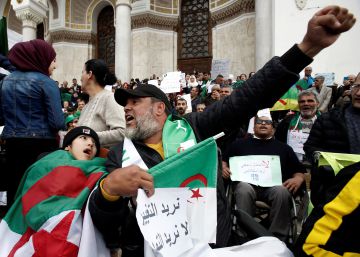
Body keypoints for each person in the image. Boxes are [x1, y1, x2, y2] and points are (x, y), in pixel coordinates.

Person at [88, 6, 356, 256]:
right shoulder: (121, 155)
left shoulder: (196, 127)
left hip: (215, 244)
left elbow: (249, 96)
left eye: (135, 102)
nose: (126, 109)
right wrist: (108, 192)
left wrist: (307, 47)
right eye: (125, 104)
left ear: (160, 109)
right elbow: (108, 226)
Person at [0, 126, 107, 256]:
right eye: (83, 138)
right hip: (37, 228)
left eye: (94, 144)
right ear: (68, 146)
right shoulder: (48, 162)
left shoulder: (101, 169)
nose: (90, 143)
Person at [0, 39, 65, 211]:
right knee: (38, 193)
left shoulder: (5, 82)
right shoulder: (46, 82)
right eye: (53, 60)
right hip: (42, 146)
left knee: (15, 189)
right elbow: (57, 122)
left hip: (13, 144)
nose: (55, 65)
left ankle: (12, 232)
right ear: (41, 58)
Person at [222, 116, 305, 241]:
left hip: (273, 187)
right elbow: (224, 161)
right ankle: (243, 234)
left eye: (268, 123)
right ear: (254, 127)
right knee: (243, 188)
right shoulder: (238, 144)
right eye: (259, 122)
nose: (263, 124)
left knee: (282, 191)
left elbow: (299, 171)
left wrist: (298, 179)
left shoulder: (284, 148)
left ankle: (277, 237)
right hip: (246, 185)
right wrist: (223, 167)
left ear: (273, 128)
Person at [304, 72, 360, 206]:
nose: (358, 93)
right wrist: (324, 163)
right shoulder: (328, 119)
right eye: (357, 86)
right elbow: (310, 147)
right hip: (332, 192)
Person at [77, 59, 125, 148]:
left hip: (102, 160)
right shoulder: (86, 106)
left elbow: (122, 133)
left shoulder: (110, 98)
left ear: (89, 74)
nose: (80, 77)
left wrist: (90, 137)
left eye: (82, 72)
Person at [275, 90, 320, 161]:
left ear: (317, 103)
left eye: (310, 101)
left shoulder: (326, 122)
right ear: (298, 105)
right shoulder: (287, 121)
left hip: (316, 167)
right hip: (291, 165)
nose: (306, 103)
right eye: (302, 101)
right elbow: (278, 142)